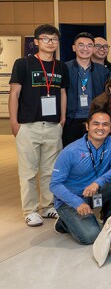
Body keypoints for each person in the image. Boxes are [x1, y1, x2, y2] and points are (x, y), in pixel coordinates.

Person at [9, 24, 69, 226]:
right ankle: (30, 209)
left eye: (54, 39)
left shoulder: (61, 67)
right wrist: (14, 122)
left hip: (53, 125)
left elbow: (62, 93)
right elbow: (14, 93)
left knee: (50, 171)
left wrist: (62, 119)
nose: (50, 42)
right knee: (28, 172)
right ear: (35, 42)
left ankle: (47, 206)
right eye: (45, 39)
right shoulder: (23, 64)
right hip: (28, 125)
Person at [50, 110, 111, 243]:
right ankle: (64, 222)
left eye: (105, 124)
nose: (100, 128)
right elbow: (55, 184)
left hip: (94, 192)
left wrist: (98, 182)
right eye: (96, 124)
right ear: (87, 126)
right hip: (71, 201)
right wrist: (77, 202)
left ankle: (110, 222)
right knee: (91, 236)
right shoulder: (71, 151)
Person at [63, 32, 110, 146]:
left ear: (93, 49)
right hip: (71, 120)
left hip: (95, 120)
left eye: (89, 45)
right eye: (81, 45)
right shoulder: (64, 68)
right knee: (73, 156)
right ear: (74, 48)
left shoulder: (102, 71)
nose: (85, 48)